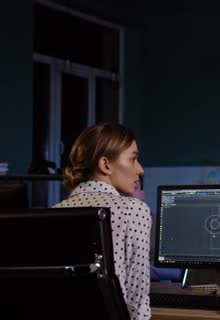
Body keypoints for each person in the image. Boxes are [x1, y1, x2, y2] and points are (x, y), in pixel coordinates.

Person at [53, 123, 151, 320]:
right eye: (133, 159)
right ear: (106, 164)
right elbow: (137, 301)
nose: (139, 169)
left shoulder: (54, 213)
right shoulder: (134, 210)